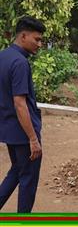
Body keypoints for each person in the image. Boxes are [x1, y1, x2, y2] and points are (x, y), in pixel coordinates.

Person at [0, 16, 45, 213]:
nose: (40, 44)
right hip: (23, 133)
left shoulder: (3, 56)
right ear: (23, 36)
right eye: (37, 39)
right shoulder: (20, 63)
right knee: (28, 180)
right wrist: (33, 139)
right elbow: (20, 104)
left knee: (17, 171)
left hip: (9, 130)